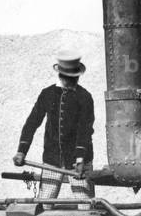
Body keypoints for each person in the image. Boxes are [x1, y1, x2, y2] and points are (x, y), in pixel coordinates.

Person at [13, 50, 95, 199]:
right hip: (52, 159)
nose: (72, 80)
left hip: (78, 162)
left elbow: (85, 130)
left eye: (74, 77)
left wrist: (80, 160)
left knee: (85, 204)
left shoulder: (85, 97)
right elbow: (32, 123)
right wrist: (21, 151)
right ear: (61, 75)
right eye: (68, 77)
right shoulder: (47, 94)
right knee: (44, 203)